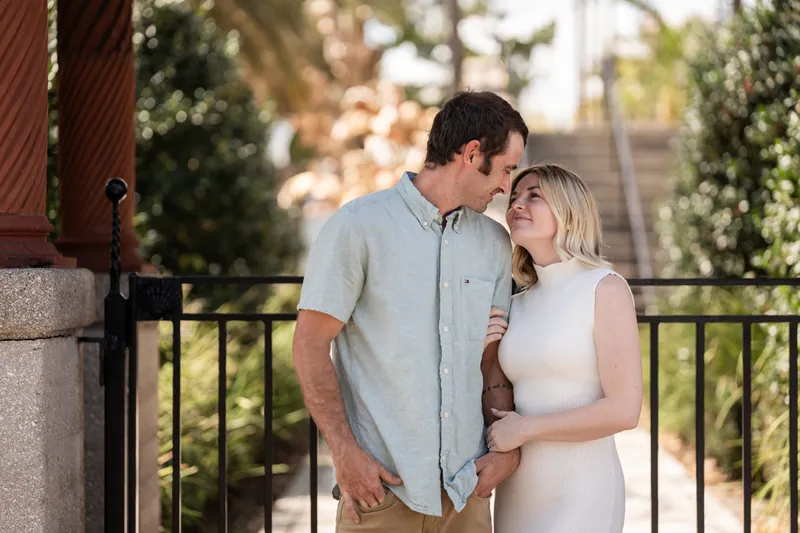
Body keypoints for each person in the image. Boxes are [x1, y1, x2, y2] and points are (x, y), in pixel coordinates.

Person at [292, 90, 529, 533]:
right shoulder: (358, 227)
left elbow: (489, 360)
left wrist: (504, 453)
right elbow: (309, 344)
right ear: (473, 154)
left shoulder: (494, 243)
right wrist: (344, 452)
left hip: (467, 494)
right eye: (505, 169)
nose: (505, 186)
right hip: (380, 492)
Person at [483, 163, 643, 533]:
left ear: (569, 210)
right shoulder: (516, 304)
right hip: (519, 492)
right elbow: (499, 395)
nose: (516, 205)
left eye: (534, 196)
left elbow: (624, 411)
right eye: (515, 197)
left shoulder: (605, 287)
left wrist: (527, 430)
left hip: (583, 489)